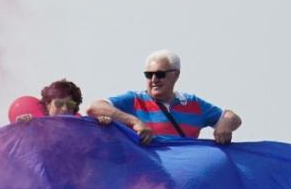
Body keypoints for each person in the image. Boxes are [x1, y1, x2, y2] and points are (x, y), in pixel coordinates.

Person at [88, 51, 241, 145]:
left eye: (160, 74)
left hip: (182, 185)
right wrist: (135, 122)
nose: (154, 79)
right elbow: (94, 107)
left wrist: (224, 125)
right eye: (149, 74)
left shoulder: (192, 103)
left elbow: (232, 117)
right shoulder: (134, 100)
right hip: (147, 185)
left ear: (176, 74)